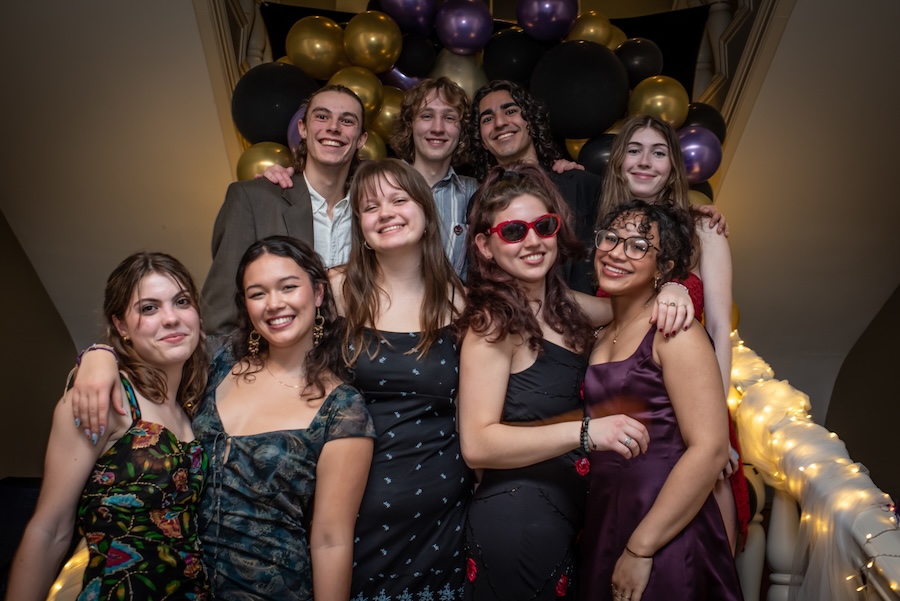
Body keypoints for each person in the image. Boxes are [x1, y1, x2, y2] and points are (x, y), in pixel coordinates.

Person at [68, 237, 376, 600]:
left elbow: (330, 541)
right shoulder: (213, 360)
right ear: (245, 305)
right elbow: (143, 350)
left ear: (319, 293)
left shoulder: (342, 408)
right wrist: (97, 355)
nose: (274, 304)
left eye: (289, 287)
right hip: (173, 585)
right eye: (257, 293)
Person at [457, 162, 652, 601]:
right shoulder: (493, 324)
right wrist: (586, 432)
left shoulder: (567, 308)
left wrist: (672, 289)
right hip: (518, 521)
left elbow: (637, 307)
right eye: (513, 232)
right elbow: (476, 444)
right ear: (486, 247)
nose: (532, 241)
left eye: (543, 226)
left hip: (570, 514)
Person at [7, 252, 210, 600]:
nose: (171, 318)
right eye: (148, 308)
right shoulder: (105, 400)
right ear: (121, 327)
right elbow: (49, 528)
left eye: (181, 301)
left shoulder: (191, 406)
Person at [598, 114, 748, 552]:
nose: (645, 162)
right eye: (635, 149)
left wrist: (716, 425)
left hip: (693, 411)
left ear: (673, 168)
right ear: (619, 161)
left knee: (705, 553)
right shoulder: (608, 232)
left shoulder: (703, 230)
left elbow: (720, 328)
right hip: (627, 416)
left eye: (659, 152)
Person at [579, 200, 743, 601]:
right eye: (611, 239)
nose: (618, 252)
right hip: (606, 516)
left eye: (638, 245)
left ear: (664, 268)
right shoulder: (601, 335)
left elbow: (710, 448)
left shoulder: (675, 332)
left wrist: (642, 547)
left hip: (663, 526)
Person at [333, 158, 473, 599]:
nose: (386, 212)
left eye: (399, 199)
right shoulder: (334, 290)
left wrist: (668, 287)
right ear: (360, 226)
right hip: (351, 511)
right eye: (370, 207)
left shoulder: (460, 302)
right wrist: (109, 352)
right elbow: (251, 338)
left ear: (427, 213)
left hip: (443, 515)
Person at [263, 77, 478, 277]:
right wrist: (283, 175)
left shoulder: (474, 193)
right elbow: (324, 175)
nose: (438, 128)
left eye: (449, 118)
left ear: (461, 129)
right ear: (410, 124)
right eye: (427, 116)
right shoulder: (371, 182)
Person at [202, 85, 368, 334]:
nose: (333, 127)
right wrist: (251, 372)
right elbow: (220, 316)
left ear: (361, 139)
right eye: (322, 116)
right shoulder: (253, 199)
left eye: (347, 120)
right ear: (302, 128)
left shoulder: (372, 209)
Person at [470, 80, 604, 294]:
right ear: (482, 139)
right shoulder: (478, 203)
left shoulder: (581, 184)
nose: (499, 123)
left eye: (510, 111)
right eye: (487, 118)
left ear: (530, 121)